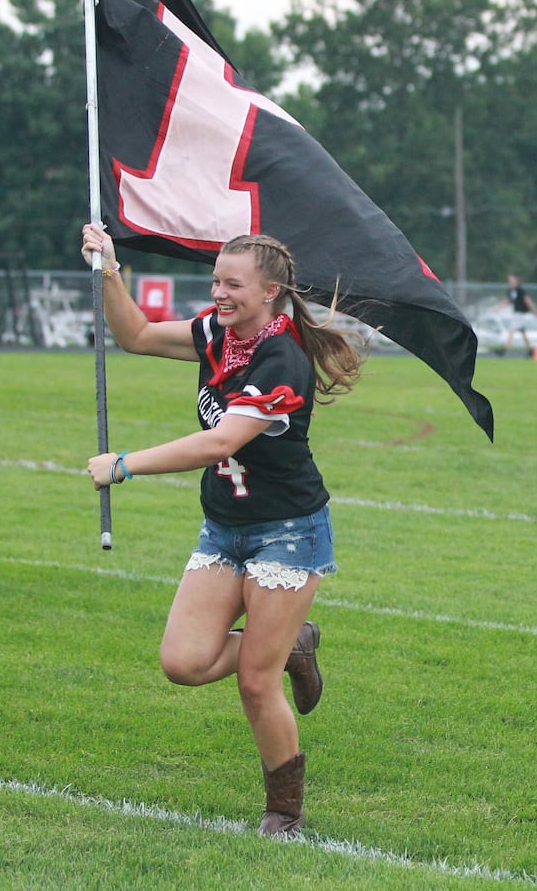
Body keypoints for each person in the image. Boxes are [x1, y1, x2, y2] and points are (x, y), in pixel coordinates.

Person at [81, 224, 362, 836]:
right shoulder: (217, 331)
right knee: (182, 662)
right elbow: (133, 335)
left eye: (231, 284)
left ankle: (283, 811)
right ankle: (291, 645)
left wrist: (125, 465)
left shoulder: (282, 356)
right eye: (215, 281)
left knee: (256, 683)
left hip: (287, 531)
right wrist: (109, 268)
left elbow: (223, 439)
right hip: (224, 526)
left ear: (270, 291)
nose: (218, 294)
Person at [498, 274, 537, 356]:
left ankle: (503, 349)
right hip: (517, 314)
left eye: (511, 280)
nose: (510, 282)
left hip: (521, 314)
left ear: (516, 281)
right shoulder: (512, 291)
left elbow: (528, 301)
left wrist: (535, 310)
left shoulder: (520, 291)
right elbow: (508, 300)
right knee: (523, 333)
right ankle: (530, 351)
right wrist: (498, 307)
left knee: (511, 330)